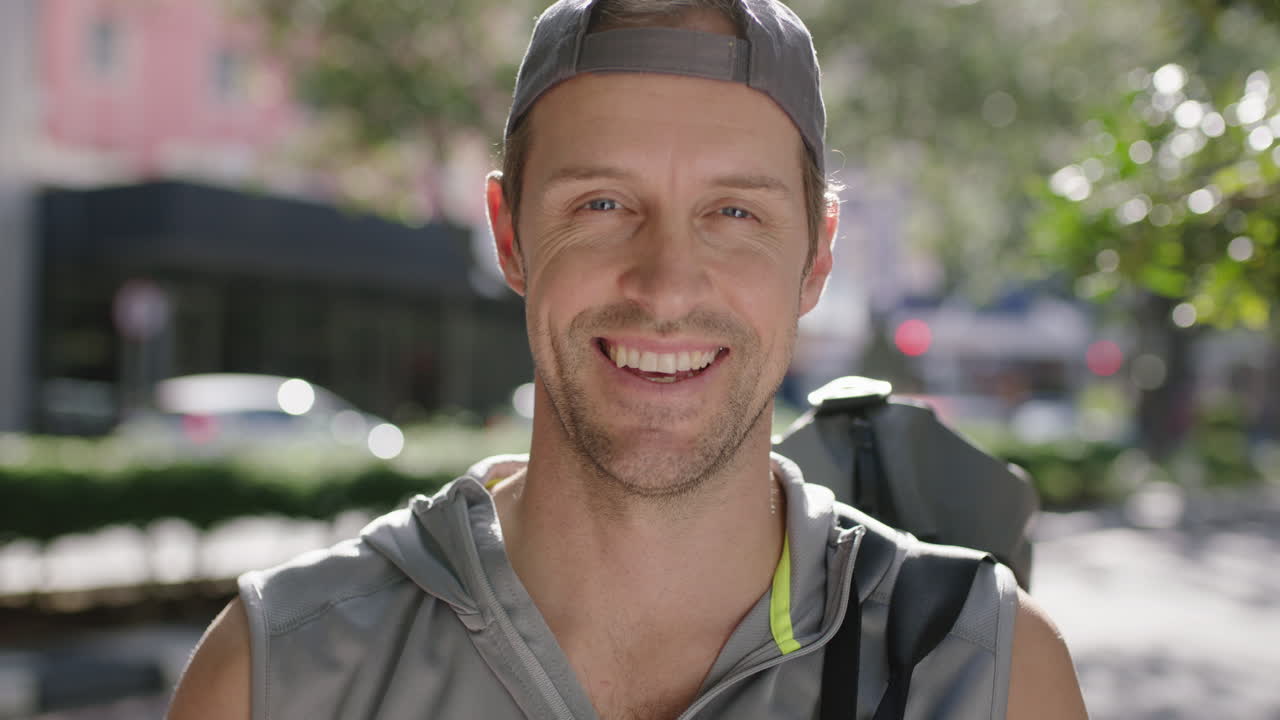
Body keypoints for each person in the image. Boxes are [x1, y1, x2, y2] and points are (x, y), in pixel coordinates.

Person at [168, 1, 1089, 718]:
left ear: (817, 258)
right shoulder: (278, 675)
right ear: (509, 235)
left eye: (736, 214)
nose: (664, 284)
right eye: (602, 204)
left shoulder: (985, 675)